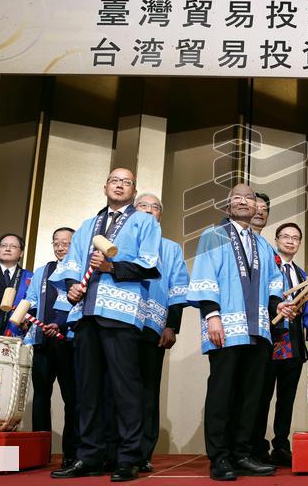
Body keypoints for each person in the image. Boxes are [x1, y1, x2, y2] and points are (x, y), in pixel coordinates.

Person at [50, 168, 162, 482]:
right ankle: (89, 456)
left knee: (125, 388)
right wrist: (73, 285)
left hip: (121, 314)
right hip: (85, 314)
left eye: (127, 182)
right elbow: (72, 264)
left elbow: (149, 264)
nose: (120, 185)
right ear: (105, 186)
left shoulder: (145, 222)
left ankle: (128, 457)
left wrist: (112, 266)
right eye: (115, 180)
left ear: (134, 190)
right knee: (88, 389)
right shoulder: (88, 225)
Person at [186, 183, 294, 481]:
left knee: (251, 395)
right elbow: (205, 275)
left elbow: (274, 285)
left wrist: (279, 308)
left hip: (259, 328)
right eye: (238, 197)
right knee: (222, 392)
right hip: (227, 327)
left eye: (250, 198)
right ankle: (219, 457)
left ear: (258, 206)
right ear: (228, 204)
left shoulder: (263, 245)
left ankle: (242, 453)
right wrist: (212, 315)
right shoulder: (214, 236)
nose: (245, 202)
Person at [133, 193, 188, 472]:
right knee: (114, 388)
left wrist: (172, 325)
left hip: (152, 328)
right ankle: (112, 449)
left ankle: (142, 452)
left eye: (155, 207)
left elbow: (178, 289)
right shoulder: (121, 242)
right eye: (143, 205)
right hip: (118, 326)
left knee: (147, 391)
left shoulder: (171, 248)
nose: (149, 210)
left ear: (160, 216)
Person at [252, 222, 308, 467]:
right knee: (262, 395)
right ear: (276, 240)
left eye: (295, 238)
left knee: (287, 397)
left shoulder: (302, 274)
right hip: (271, 339)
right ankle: (257, 445)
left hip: (294, 342)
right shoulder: (266, 265)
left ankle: (281, 445)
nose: (290, 241)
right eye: (285, 236)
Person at [24, 226, 78, 468]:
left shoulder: (80, 270)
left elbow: (78, 303)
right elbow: (32, 298)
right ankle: (40, 452)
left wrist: (58, 324)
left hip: (68, 342)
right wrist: (31, 317)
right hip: (42, 341)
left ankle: (71, 452)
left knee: (72, 398)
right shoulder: (43, 270)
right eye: (56, 241)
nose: (60, 246)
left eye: (65, 242)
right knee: (41, 396)